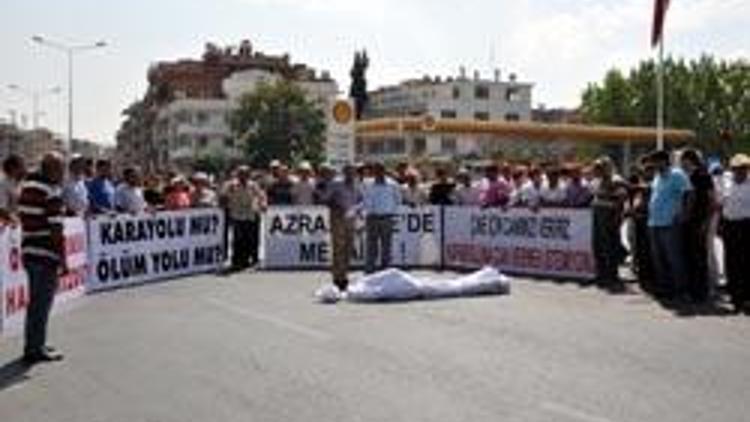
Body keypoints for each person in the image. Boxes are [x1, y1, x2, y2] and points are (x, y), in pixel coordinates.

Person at [18, 152, 66, 365]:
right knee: (41, 305)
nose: (63, 173)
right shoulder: (51, 191)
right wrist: (62, 258)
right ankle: (34, 349)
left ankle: (35, 344)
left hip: (30, 251)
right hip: (45, 254)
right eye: (60, 168)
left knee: (35, 304)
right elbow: (56, 229)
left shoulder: (27, 187)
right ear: (50, 169)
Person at [647, 150, 693, 300]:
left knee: (674, 258)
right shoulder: (657, 176)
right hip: (654, 222)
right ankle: (664, 289)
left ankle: (681, 291)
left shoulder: (677, 174)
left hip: (670, 223)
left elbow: (689, 194)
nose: (652, 164)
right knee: (658, 259)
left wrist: (684, 214)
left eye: (655, 161)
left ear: (663, 161)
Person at [680, 149, 714, 303]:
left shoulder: (703, 176)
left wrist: (706, 223)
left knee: (699, 257)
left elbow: (711, 201)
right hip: (687, 222)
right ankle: (692, 290)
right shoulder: (685, 176)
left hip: (699, 221)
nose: (681, 163)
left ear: (690, 160)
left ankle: (702, 292)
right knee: (688, 256)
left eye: (683, 160)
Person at [719, 154, 750, 314]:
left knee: (745, 261)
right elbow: (721, 202)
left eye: (744, 168)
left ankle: (746, 297)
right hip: (729, 225)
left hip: (747, 225)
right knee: (731, 261)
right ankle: (734, 296)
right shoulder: (726, 181)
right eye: (737, 168)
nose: (741, 171)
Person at [324, 164, 362, 291]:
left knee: (348, 248)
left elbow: (360, 200)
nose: (351, 174)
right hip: (337, 218)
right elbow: (326, 199)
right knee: (338, 248)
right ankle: (337, 278)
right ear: (344, 172)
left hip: (351, 218)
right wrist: (336, 206)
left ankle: (344, 275)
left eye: (353, 172)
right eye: (349, 172)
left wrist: (358, 210)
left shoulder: (357, 185)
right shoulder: (335, 183)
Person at [590, 157, 627, 288]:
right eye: (596, 168)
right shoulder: (596, 181)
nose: (596, 170)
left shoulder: (616, 180)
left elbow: (622, 199)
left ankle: (612, 275)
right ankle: (601, 273)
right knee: (597, 245)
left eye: (599, 167)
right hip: (597, 214)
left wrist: (618, 217)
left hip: (609, 215)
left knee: (610, 246)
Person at [221, 166, 267, 270]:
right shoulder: (231, 185)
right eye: (241, 173)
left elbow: (261, 195)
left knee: (250, 239)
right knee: (238, 239)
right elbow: (223, 196)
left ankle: (250, 260)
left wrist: (263, 203)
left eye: (246, 174)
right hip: (237, 215)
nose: (243, 176)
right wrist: (225, 199)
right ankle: (236, 261)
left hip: (250, 214)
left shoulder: (253, 185)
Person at [362, 162, 401, 273]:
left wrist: (390, 211)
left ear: (384, 170)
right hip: (371, 218)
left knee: (386, 246)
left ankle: (385, 271)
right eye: (376, 169)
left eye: (380, 169)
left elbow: (398, 200)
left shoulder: (393, 184)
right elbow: (363, 199)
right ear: (373, 171)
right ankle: (370, 271)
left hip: (386, 218)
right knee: (371, 246)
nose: (378, 172)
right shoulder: (366, 183)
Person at [0, 154, 27, 222]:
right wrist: (15, 219)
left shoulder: (24, 182)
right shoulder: (3, 184)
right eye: (21, 166)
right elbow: (2, 209)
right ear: (12, 168)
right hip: (11, 224)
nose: (25, 169)